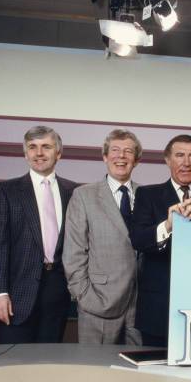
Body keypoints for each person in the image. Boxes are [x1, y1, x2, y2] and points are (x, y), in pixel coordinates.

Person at [0, 126, 77, 344]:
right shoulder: (6, 191)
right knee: (12, 364)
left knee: (49, 362)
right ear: (25, 154)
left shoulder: (74, 192)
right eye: (32, 147)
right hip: (16, 292)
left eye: (46, 147)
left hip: (59, 289)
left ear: (59, 153)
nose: (39, 153)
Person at [131, 134, 191, 346]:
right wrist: (168, 225)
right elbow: (138, 240)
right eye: (180, 155)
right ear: (167, 160)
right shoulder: (147, 194)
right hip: (158, 308)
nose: (186, 162)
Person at [63, 129, 142, 345]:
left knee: (138, 375)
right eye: (115, 150)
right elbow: (73, 252)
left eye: (128, 151)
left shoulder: (147, 195)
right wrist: (85, 296)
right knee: (96, 372)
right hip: (97, 303)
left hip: (139, 306)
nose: (121, 156)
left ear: (136, 160)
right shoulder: (84, 195)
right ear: (105, 157)